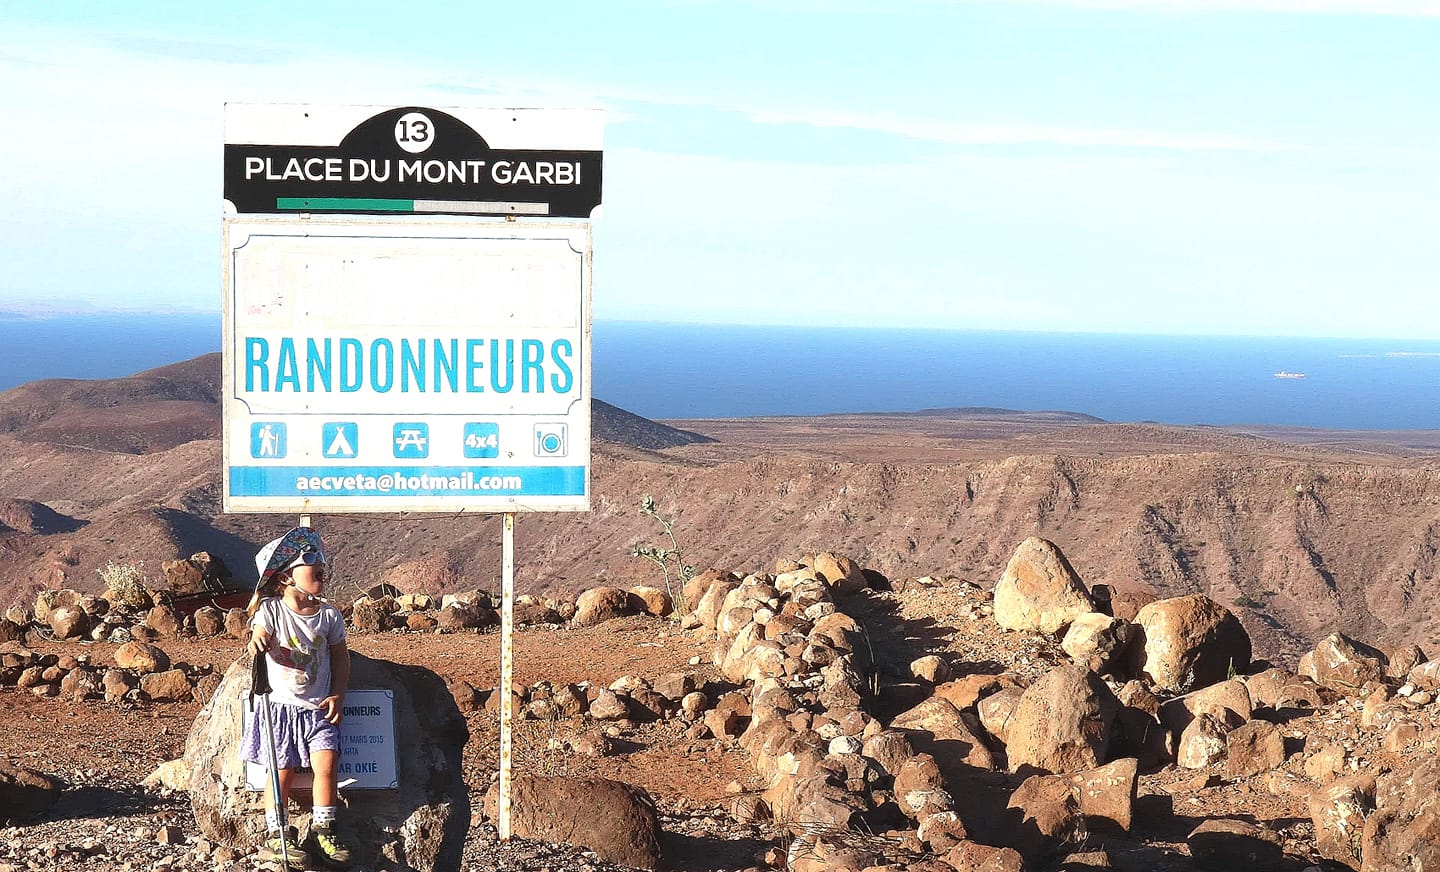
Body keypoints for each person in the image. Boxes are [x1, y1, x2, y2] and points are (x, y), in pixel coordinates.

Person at [240, 527, 353, 869]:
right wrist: (257, 642)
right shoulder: (273, 611)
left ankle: (323, 829)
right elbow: (258, 633)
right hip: (282, 709)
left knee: (327, 765)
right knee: (282, 771)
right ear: (287, 577)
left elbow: (340, 656)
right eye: (309, 560)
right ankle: (277, 833)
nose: (320, 565)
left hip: (319, 708)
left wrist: (338, 693)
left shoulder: (329, 615)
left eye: (320, 558)